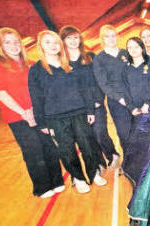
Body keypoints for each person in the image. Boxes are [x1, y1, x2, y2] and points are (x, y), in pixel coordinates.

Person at [0, 27, 64, 198]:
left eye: (15, 41)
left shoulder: (31, 64)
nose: (13, 45)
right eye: (7, 42)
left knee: (50, 148)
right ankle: (42, 187)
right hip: (17, 117)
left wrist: (39, 111)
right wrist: (24, 113)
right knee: (34, 151)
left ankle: (57, 181)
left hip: (39, 114)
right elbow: (1, 93)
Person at [28, 30, 105, 194]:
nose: (53, 45)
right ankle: (78, 178)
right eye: (47, 42)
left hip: (79, 113)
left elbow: (84, 90)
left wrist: (90, 110)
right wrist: (41, 122)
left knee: (88, 146)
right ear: (40, 46)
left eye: (55, 42)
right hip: (55, 118)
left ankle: (94, 173)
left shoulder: (69, 64)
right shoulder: (36, 70)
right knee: (67, 151)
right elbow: (36, 98)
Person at [59, 25, 119, 171]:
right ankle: (99, 162)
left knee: (99, 133)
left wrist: (98, 100)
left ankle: (112, 154)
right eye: (69, 38)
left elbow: (99, 81)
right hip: (78, 108)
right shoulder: (62, 62)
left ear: (80, 39)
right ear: (63, 41)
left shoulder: (91, 57)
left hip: (96, 104)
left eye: (76, 37)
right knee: (88, 137)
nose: (73, 41)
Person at [92, 24, 131, 155]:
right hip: (117, 102)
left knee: (138, 131)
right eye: (107, 36)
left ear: (118, 37)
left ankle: (143, 162)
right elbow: (103, 84)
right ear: (102, 39)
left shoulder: (126, 53)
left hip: (134, 98)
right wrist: (120, 98)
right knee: (124, 133)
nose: (111, 39)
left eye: (113, 35)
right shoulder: (99, 59)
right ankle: (128, 163)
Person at [123, 37, 150, 130]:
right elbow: (125, 89)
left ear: (142, 48)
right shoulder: (126, 68)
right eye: (130, 47)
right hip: (135, 111)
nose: (133, 50)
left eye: (136, 47)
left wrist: (147, 103)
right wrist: (131, 108)